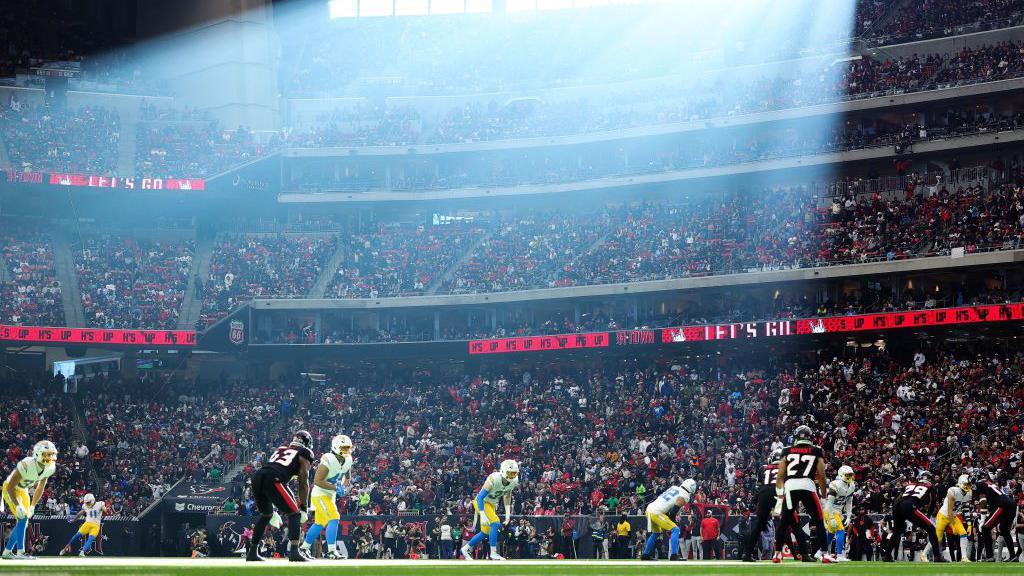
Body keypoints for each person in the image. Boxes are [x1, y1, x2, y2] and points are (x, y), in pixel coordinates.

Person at [245, 430, 315, 562]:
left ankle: (252, 552)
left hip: (258, 477)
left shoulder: (282, 449)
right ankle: (294, 552)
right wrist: (304, 506)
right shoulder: (304, 453)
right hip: (274, 479)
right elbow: (303, 480)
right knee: (295, 514)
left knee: (266, 515)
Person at [773, 425, 833, 563]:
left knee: (783, 522)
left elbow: (780, 475)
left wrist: (780, 497)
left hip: (790, 486)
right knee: (818, 520)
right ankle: (824, 554)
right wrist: (823, 497)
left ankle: (777, 555)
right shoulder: (816, 450)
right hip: (807, 485)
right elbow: (822, 475)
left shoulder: (786, 450)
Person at [743, 447, 808, 562]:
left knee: (759, 526)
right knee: (795, 525)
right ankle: (805, 555)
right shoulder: (788, 468)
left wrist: (754, 502)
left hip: (765, 492)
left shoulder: (763, 468)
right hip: (781, 492)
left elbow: (758, 487)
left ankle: (747, 555)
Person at [300, 434, 353, 560]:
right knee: (334, 517)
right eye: (344, 448)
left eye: (348, 448)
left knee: (320, 523)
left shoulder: (348, 459)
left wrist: (343, 487)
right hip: (320, 494)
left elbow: (348, 477)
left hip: (330, 495)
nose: (346, 451)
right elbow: (317, 481)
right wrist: (336, 487)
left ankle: (303, 548)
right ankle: (331, 551)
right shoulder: (329, 459)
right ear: (336, 447)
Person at [2, 440, 57, 560]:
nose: (49, 457)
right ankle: (20, 552)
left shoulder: (50, 468)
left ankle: (7, 552)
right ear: (38, 454)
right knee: (22, 518)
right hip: (10, 489)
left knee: (24, 522)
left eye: (51, 454)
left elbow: (40, 487)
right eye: (46, 454)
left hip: (23, 490)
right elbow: (11, 485)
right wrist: (17, 505)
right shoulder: (27, 464)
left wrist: (32, 506)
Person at [461, 459, 519, 561]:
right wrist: (482, 514)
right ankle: (493, 553)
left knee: (485, 533)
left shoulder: (513, 481)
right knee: (495, 523)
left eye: (514, 473)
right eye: (510, 473)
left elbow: (507, 497)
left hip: (491, 504)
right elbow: (480, 498)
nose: (512, 476)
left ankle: (465, 548)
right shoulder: (493, 478)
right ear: (503, 471)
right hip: (481, 503)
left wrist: (508, 516)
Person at [885, 470, 944, 562]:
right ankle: (937, 556)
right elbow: (932, 502)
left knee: (897, 531)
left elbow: (898, 498)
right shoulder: (930, 486)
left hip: (897, 506)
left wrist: (895, 511)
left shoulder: (909, 485)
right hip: (909, 506)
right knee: (931, 528)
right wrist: (928, 514)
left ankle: (887, 555)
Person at [641, 478, 697, 561]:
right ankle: (674, 555)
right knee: (675, 529)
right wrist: (672, 523)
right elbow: (674, 511)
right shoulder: (685, 495)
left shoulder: (674, 487)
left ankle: (645, 555)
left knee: (656, 533)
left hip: (649, 508)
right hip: (657, 512)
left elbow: (665, 502)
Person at [971, 471, 1020, 562]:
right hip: (1011, 505)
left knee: (985, 528)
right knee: (1004, 531)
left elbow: (983, 501)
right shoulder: (990, 484)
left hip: (1002, 505)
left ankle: (989, 556)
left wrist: (982, 520)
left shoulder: (980, 484)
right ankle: (1013, 556)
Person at [934, 474, 972, 562]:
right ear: (961, 483)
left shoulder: (968, 493)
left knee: (963, 533)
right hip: (944, 515)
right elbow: (950, 510)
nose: (968, 486)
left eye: (968, 484)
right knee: (937, 537)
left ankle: (964, 557)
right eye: (966, 484)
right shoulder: (953, 490)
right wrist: (954, 527)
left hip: (953, 515)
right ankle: (925, 554)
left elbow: (966, 509)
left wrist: (969, 524)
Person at [824, 465, 856, 561]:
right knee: (841, 530)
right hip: (830, 510)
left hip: (838, 512)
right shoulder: (835, 484)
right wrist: (831, 517)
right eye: (847, 475)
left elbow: (849, 502)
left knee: (830, 534)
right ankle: (840, 555)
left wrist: (849, 516)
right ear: (841, 475)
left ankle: (820, 551)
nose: (850, 477)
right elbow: (829, 502)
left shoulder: (851, 485)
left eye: (851, 475)